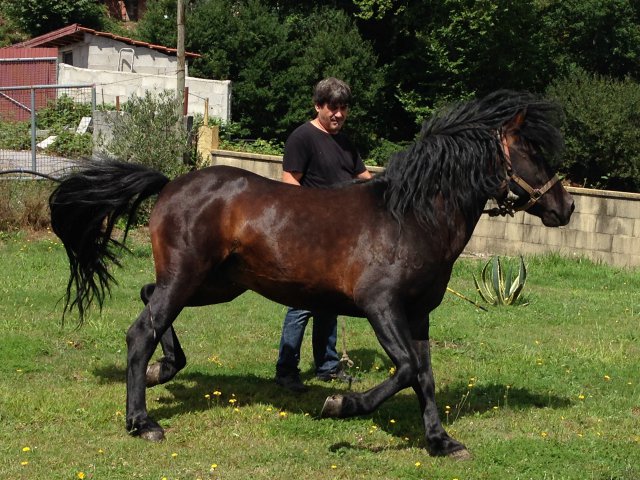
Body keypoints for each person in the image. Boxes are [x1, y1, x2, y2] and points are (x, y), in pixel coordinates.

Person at [275, 77, 372, 393]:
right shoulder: (302, 138)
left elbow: (365, 179)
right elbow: (290, 183)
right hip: (311, 236)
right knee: (302, 303)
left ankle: (327, 367)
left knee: (330, 301)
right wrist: (311, 219)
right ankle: (286, 369)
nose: (339, 115)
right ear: (318, 106)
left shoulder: (346, 142)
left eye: (343, 108)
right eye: (333, 108)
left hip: (341, 238)